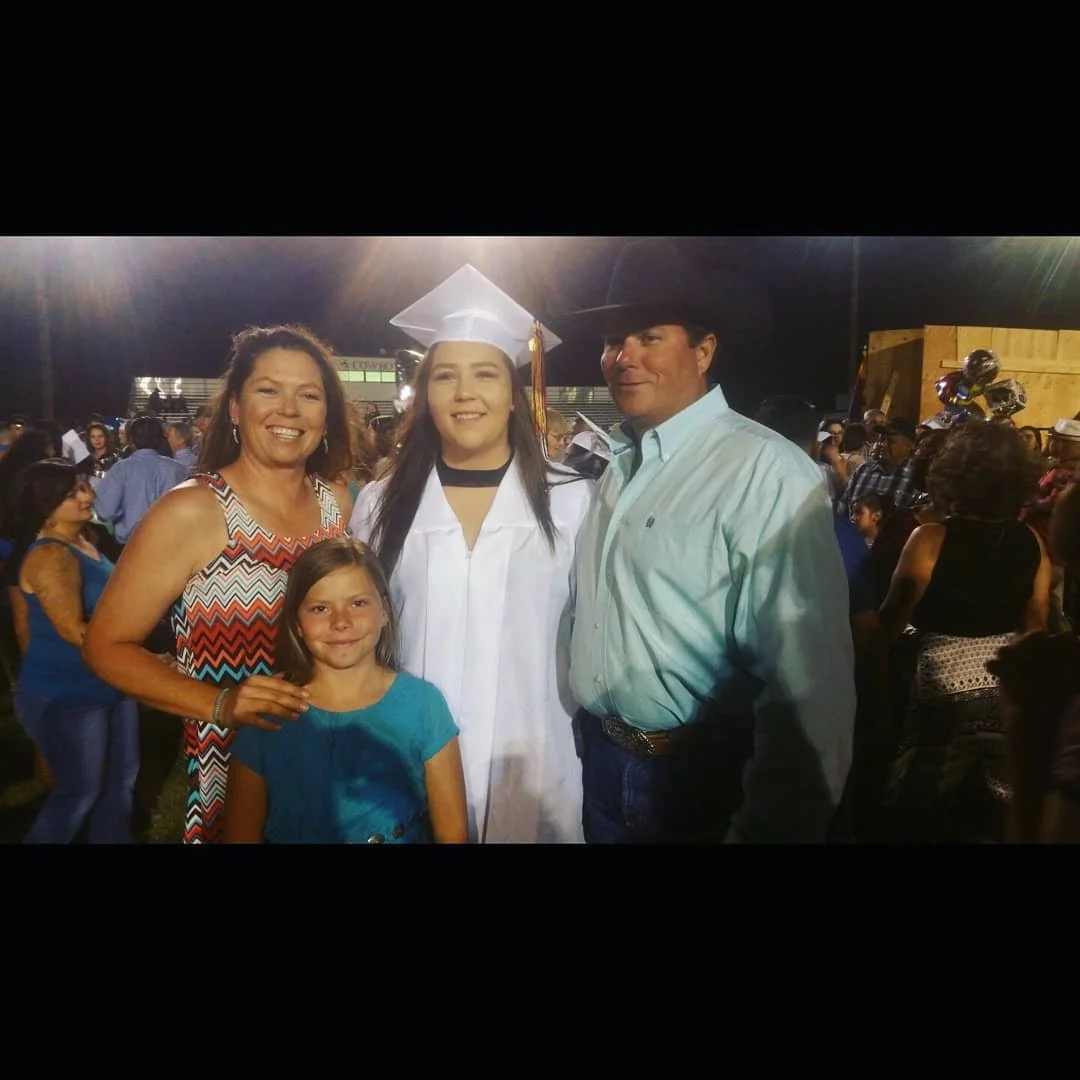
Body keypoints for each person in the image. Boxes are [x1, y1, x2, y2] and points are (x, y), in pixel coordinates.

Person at [561, 237, 855, 843]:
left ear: (704, 349)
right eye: (614, 339)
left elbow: (807, 684)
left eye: (649, 337)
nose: (624, 357)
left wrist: (774, 824)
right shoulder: (619, 468)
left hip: (696, 781)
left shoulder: (763, 470)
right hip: (600, 766)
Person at [350, 264, 594, 843]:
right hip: (402, 763)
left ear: (513, 395)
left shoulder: (573, 500)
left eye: (485, 375)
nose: (465, 394)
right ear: (425, 394)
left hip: (533, 768)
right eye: (445, 377)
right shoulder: (381, 503)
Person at [83, 324, 354, 844]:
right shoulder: (194, 510)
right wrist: (220, 704)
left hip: (329, 760)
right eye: (268, 390)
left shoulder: (336, 505)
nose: (289, 409)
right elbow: (105, 647)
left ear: (327, 413)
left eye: (309, 395)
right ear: (234, 407)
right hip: (233, 774)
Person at [224, 537, 468, 843]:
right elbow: (239, 833)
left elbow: (453, 833)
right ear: (297, 623)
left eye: (358, 603)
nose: (341, 622)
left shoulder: (423, 705)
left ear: (384, 611)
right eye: (320, 608)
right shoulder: (269, 710)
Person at [877, 421, 1050, 843]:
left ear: (954, 472)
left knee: (923, 805)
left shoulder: (930, 538)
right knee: (988, 808)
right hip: (1001, 681)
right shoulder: (1031, 541)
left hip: (936, 683)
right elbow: (1037, 622)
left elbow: (891, 619)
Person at [9, 460, 139, 842]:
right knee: (78, 793)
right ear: (45, 505)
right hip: (69, 693)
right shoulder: (51, 556)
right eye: (73, 494)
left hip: (109, 681)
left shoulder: (88, 539)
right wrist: (140, 661)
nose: (88, 496)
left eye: (84, 486)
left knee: (120, 782)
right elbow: (73, 630)